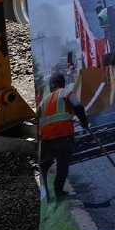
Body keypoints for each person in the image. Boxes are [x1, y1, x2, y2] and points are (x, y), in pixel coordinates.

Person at [38, 72, 89, 203]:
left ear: (52, 85)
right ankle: (58, 191)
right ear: (62, 83)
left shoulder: (44, 101)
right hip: (64, 136)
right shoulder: (67, 93)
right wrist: (84, 122)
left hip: (46, 139)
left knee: (43, 166)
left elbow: (36, 117)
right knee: (62, 165)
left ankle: (46, 195)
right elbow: (77, 106)